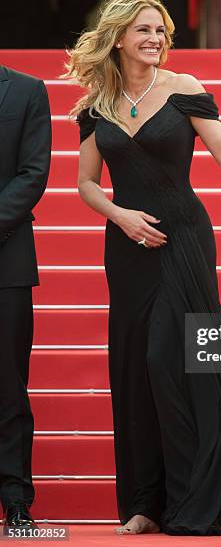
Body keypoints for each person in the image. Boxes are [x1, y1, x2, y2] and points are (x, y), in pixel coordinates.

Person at [64, 0, 221, 535]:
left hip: (182, 240)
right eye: (144, 31)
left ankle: (198, 498)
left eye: (161, 30)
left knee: (171, 359)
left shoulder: (185, 90)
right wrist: (120, 216)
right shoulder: (96, 105)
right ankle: (146, 502)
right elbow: (86, 182)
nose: (155, 39)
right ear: (118, 38)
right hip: (127, 247)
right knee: (135, 368)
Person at [0, 66, 52, 533]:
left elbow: (33, 173)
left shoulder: (26, 91)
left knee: (9, 386)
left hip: (6, 262)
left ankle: (15, 499)